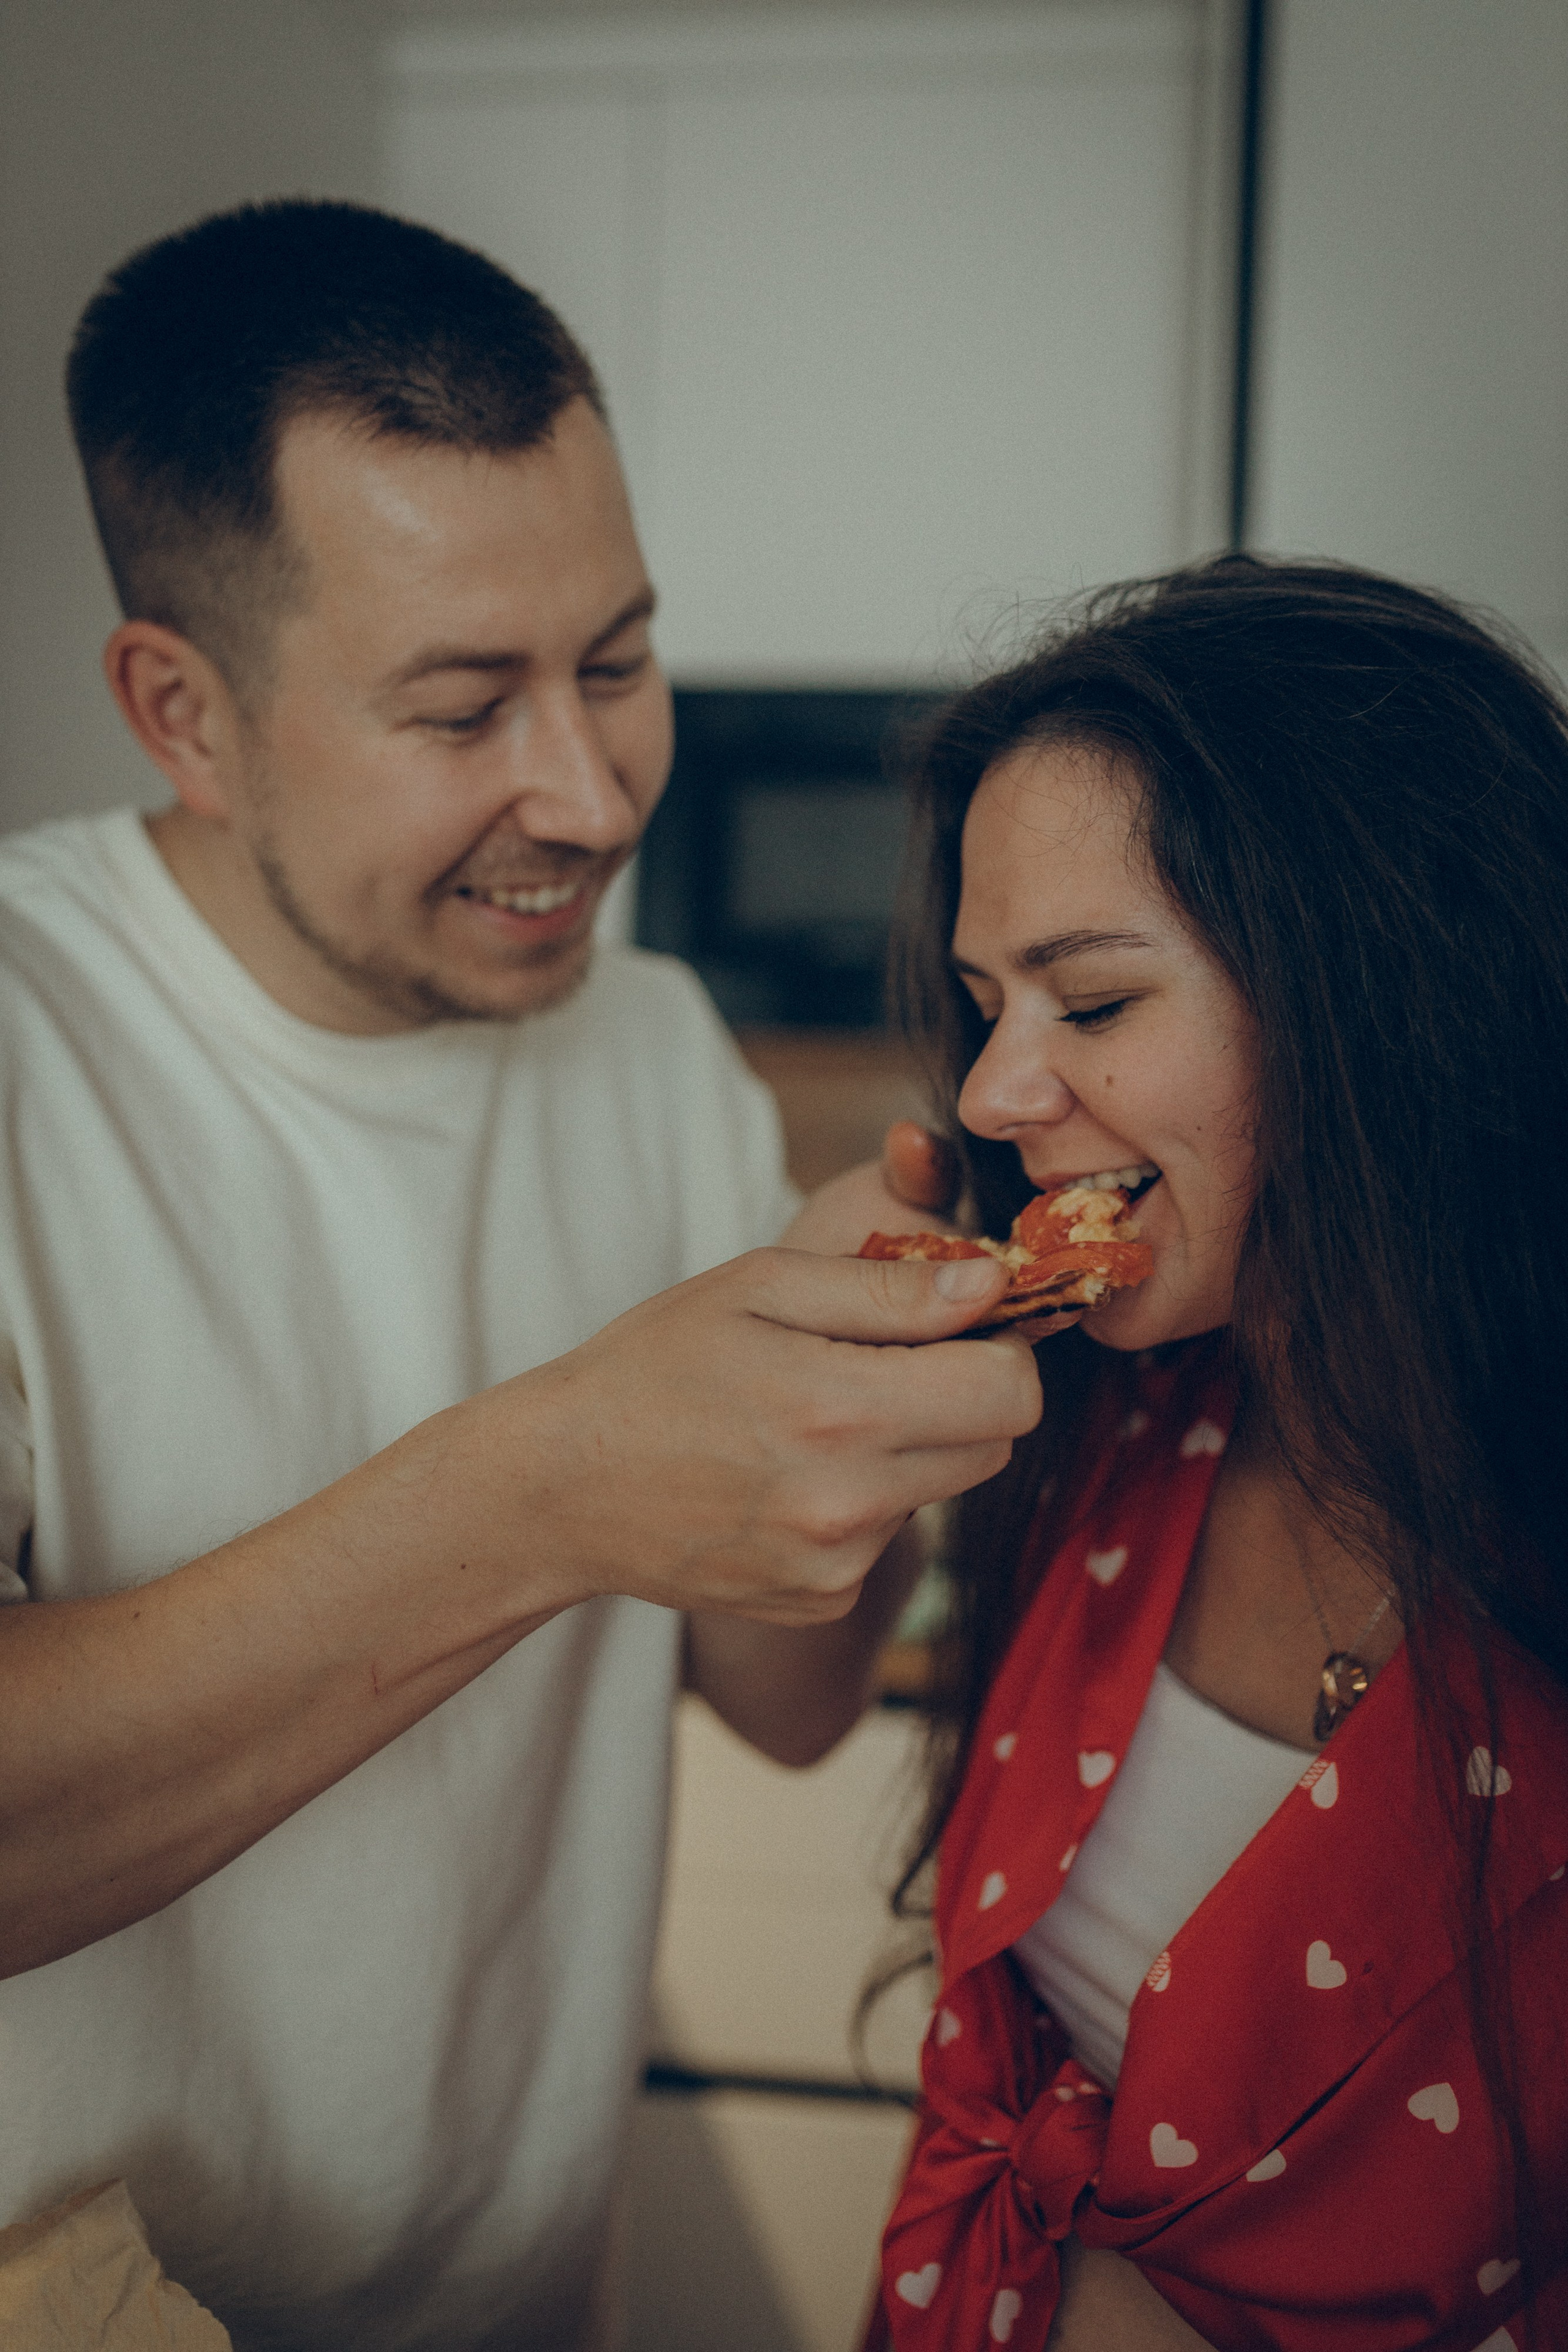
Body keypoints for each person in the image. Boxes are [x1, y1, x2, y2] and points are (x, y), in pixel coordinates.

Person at [0, 200, 1039, 2351]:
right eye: (466, 705)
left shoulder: (646, 1043)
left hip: (518, 2292)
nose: (589, 788)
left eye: (621, 659)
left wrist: (841, 1401)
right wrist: (552, 1481)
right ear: (182, 713)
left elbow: (789, 1706)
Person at [853, 557, 1568, 2350]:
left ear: (1388, 1007)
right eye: (985, 999)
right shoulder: (1104, 1425)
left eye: (1089, 1005)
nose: (1003, 1094)